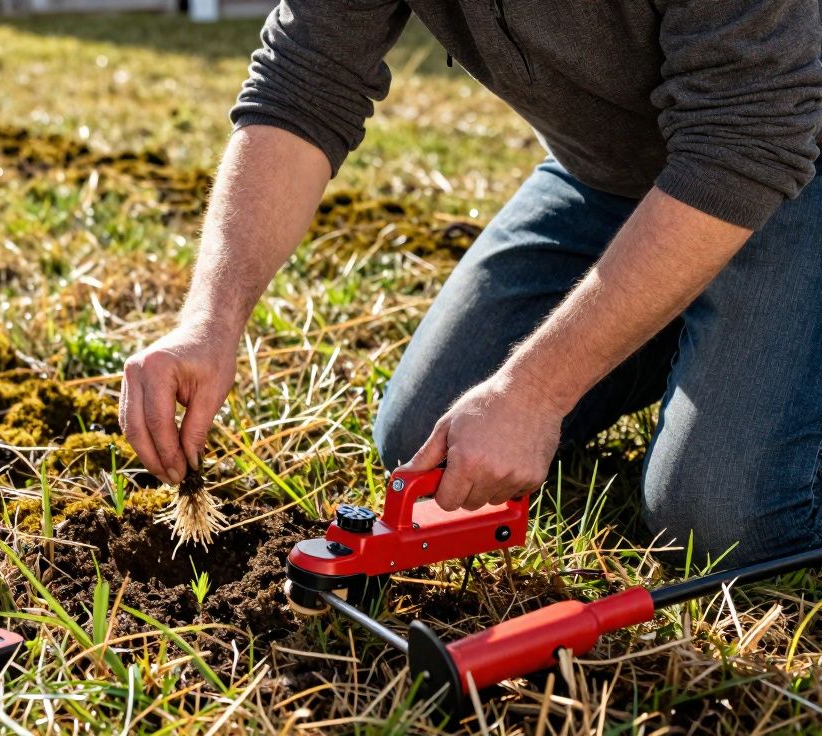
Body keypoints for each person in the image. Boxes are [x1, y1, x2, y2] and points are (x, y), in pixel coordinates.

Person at [118, 0, 822, 566]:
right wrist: (210, 318)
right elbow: (303, 84)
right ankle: (678, 318)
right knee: (422, 442)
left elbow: (746, 137)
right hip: (612, 176)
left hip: (790, 167)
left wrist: (537, 390)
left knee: (721, 522)